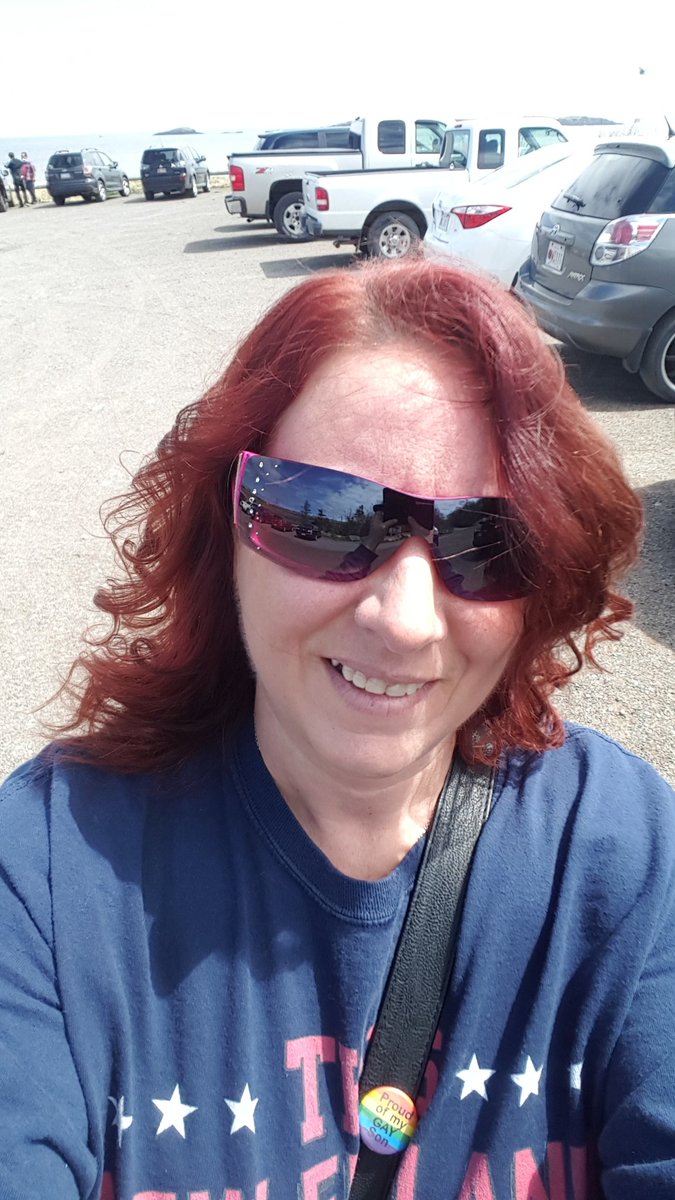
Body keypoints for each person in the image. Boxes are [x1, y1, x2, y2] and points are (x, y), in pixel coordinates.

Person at [0, 258, 673, 1200]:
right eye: (325, 517)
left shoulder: (620, 853)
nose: (404, 620)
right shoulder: (49, 868)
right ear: (225, 524)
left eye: (485, 543)